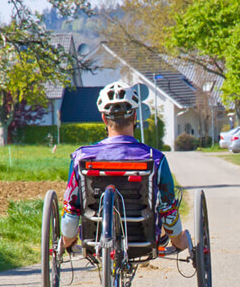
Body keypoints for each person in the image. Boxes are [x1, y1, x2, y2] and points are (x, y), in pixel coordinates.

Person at [61, 80, 189, 252]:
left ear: (104, 118)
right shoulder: (155, 158)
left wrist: (67, 240)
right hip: (144, 239)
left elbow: (72, 207)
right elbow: (168, 207)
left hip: (94, 239)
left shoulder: (81, 157)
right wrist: (179, 241)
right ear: (135, 117)